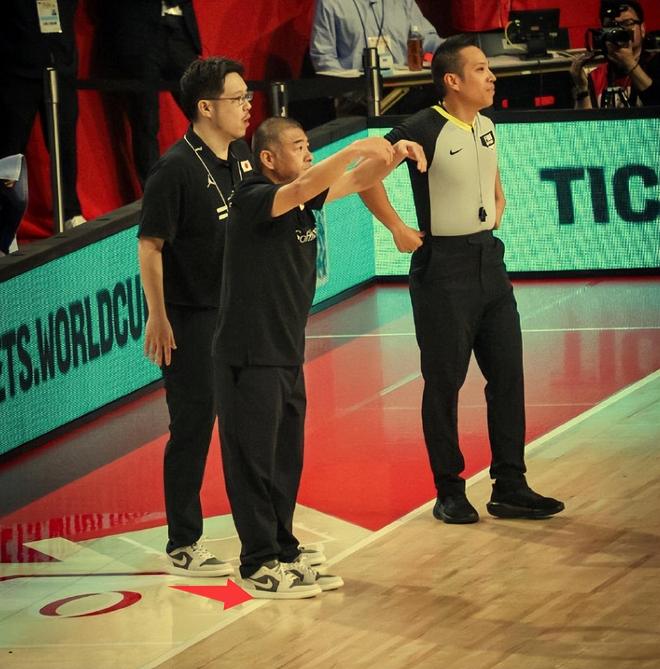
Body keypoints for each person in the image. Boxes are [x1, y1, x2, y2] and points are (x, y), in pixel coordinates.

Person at [213, 116, 426, 598]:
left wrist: (393, 154)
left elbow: (357, 181)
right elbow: (308, 183)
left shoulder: (302, 198)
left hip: (287, 350)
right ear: (268, 158)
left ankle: (284, 549)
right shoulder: (252, 197)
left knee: (285, 460)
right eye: (298, 146)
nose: (308, 153)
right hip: (249, 353)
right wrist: (352, 149)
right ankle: (258, 563)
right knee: (253, 463)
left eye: (309, 144)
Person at [360, 35, 565, 525]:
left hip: (489, 262)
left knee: (508, 376)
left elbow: (485, 171)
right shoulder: (421, 127)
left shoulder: (487, 125)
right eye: (480, 69)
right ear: (452, 80)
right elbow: (365, 174)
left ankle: (510, 485)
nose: (492, 77)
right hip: (443, 270)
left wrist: (498, 198)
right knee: (445, 382)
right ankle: (449, 490)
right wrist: (397, 228)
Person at [137, 56, 255, 577]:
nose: (248, 106)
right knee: (192, 428)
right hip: (191, 320)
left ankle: (265, 535)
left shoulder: (242, 155)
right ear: (206, 107)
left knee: (251, 423)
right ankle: (183, 540)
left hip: (240, 313)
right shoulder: (175, 169)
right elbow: (150, 247)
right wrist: (158, 317)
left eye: (248, 96)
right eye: (238, 98)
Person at [0, 0, 85, 230]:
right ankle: (5, 219)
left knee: (65, 144)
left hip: (61, 67)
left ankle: (70, 212)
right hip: (18, 70)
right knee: (10, 150)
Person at [108, 0, 202, 186]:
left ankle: (226, 182)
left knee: (207, 108)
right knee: (146, 120)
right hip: (141, 33)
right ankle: (156, 193)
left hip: (180, 29)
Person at [571, 1, 660, 108]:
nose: (619, 30)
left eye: (627, 23)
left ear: (642, 29)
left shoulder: (656, 64)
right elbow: (585, 118)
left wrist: (630, 64)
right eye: (611, 25)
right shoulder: (596, 76)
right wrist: (582, 89)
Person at [310, 0, 442, 72]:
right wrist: (347, 90)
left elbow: (426, 39)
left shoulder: (403, 2)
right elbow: (323, 56)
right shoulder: (330, 3)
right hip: (356, 98)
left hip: (404, 90)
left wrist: (451, 47)